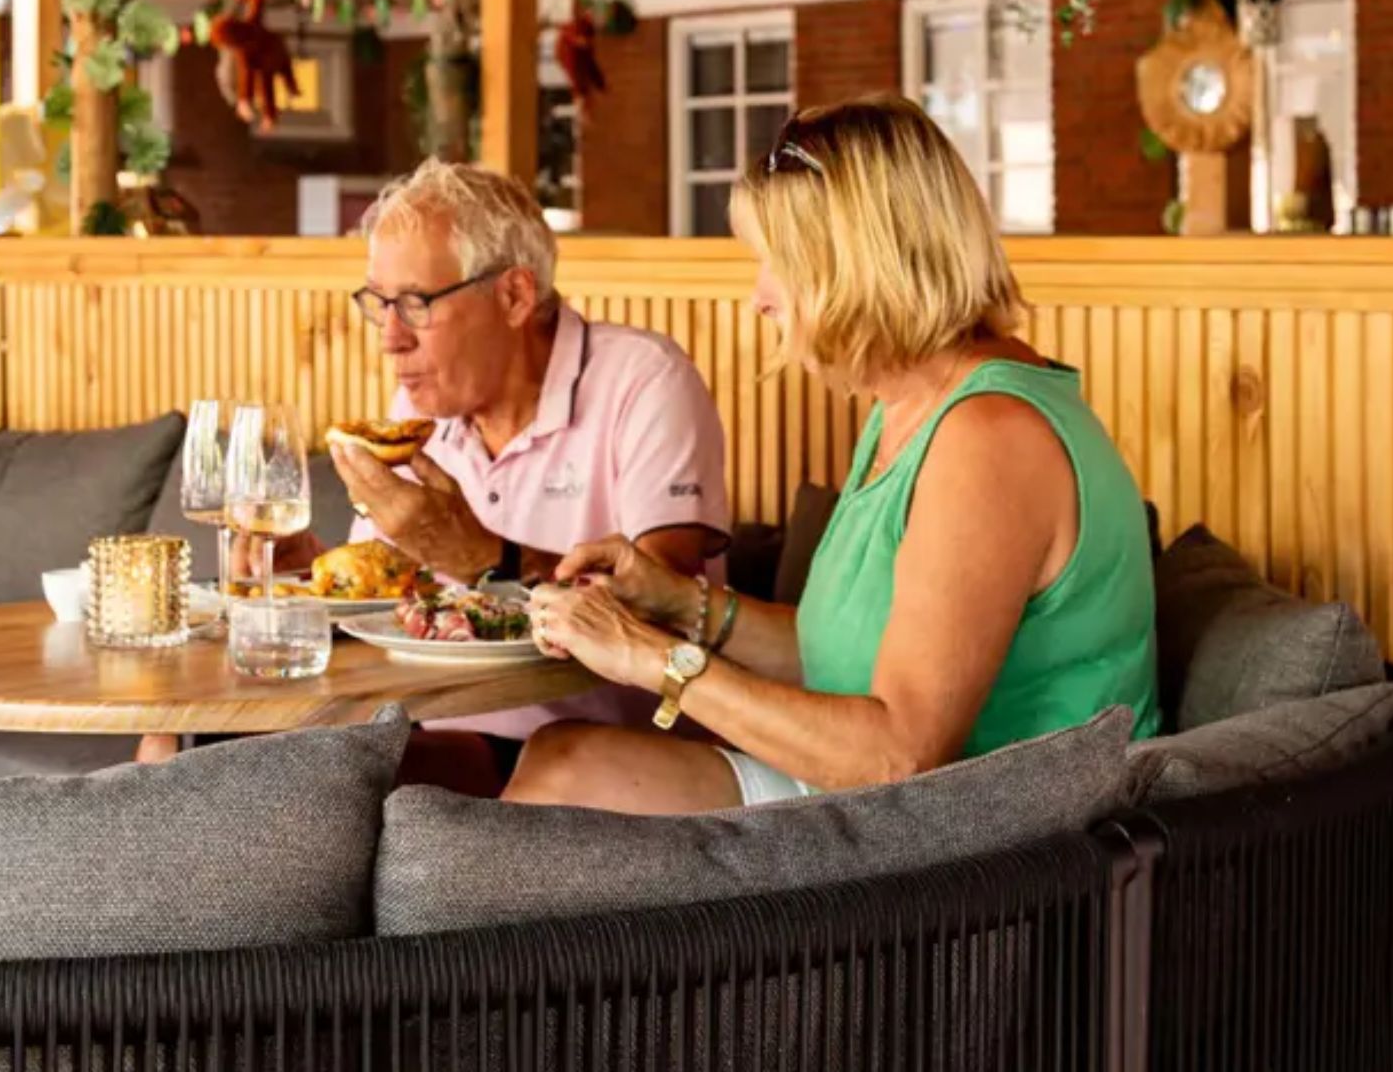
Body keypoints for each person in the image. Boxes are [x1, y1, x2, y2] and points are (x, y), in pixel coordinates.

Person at [506, 95, 1160, 813]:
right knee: (559, 755)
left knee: (567, 778)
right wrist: (680, 604)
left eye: (777, 263)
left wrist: (651, 657)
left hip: (999, 833)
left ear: (857, 265)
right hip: (909, 804)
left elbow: (898, 756)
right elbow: (845, 655)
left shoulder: (991, 437)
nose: (759, 298)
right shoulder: (910, 406)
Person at [335, 159, 732, 745]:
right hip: (434, 732)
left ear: (514, 296)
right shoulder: (420, 408)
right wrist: (297, 571)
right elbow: (374, 592)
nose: (391, 339)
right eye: (379, 303)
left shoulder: (644, 380)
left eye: (416, 304)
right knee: (229, 762)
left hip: (605, 751)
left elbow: (665, 602)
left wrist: (489, 558)